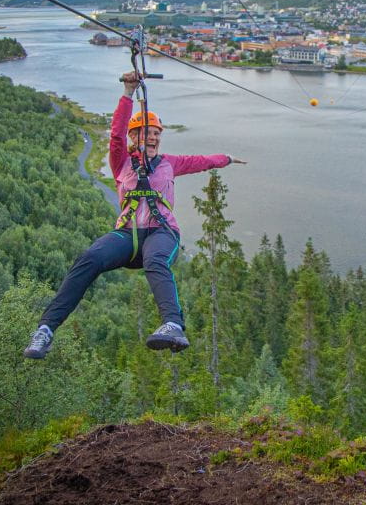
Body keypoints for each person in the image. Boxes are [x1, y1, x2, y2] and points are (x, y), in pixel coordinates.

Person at [24, 71, 246, 359]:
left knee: (156, 260)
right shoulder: (121, 162)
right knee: (89, 258)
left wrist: (227, 159)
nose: (153, 138)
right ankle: (45, 330)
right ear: (134, 138)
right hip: (127, 234)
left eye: (157, 134)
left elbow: (202, 162)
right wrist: (128, 94)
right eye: (148, 133)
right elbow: (115, 134)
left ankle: (173, 324)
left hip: (161, 232)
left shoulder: (170, 163)